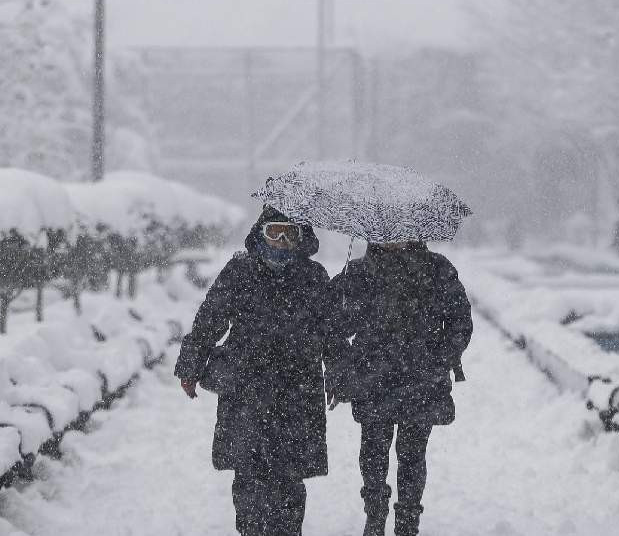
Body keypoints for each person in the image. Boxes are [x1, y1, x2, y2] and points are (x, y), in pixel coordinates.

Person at [174, 206, 340, 536]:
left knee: (289, 477)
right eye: (273, 231)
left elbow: (331, 331)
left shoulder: (314, 277)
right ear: (260, 233)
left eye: (289, 233)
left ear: (301, 237)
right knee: (249, 474)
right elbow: (209, 320)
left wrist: (336, 372)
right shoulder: (240, 271)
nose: (280, 241)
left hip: (297, 390)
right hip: (246, 388)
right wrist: (191, 367)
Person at [330, 241, 473, 536]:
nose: (394, 239)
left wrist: (437, 360)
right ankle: (375, 515)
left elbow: (460, 322)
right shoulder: (356, 272)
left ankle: (408, 520)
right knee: (373, 450)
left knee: (412, 453)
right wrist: (342, 364)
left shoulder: (437, 269)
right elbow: (331, 324)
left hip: (421, 380)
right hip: (372, 379)